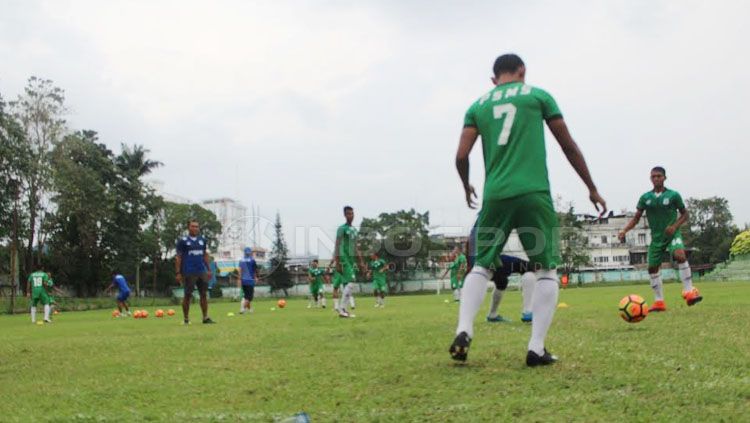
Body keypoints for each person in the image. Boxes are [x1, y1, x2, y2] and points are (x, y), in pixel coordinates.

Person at [449, 53, 606, 366]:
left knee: (482, 265)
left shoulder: (477, 106)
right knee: (545, 267)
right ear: (522, 71)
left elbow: (461, 155)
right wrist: (590, 186)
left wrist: (467, 185)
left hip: (495, 195)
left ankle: (464, 328)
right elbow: (568, 145)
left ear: (494, 79)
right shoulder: (538, 95)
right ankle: (536, 347)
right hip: (533, 192)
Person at [618, 167, 702, 311]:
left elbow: (685, 215)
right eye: (653, 176)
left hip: (672, 234)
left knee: (679, 255)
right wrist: (624, 230)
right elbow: (636, 218)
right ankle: (659, 302)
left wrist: (675, 226)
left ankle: (688, 292)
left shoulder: (673, 195)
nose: (656, 178)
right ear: (650, 178)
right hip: (656, 237)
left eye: (659, 176)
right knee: (652, 268)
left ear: (664, 178)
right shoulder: (645, 198)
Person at [175, 219, 215, 324]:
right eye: (193, 226)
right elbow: (178, 257)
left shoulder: (202, 240)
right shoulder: (183, 241)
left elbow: (205, 255)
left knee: (203, 294)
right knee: (188, 295)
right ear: (188, 227)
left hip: (201, 271)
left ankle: (205, 317)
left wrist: (209, 269)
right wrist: (178, 272)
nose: (195, 228)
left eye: (197, 226)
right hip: (189, 271)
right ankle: (186, 319)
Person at [333, 206, 366, 318]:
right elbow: (337, 245)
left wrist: (361, 262)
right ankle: (342, 309)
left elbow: (356, 247)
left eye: (352, 213)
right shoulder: (341, 228)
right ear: (344, 215)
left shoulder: (354, 230)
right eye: (348, 214)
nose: (350, 216)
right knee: (352, 281)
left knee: (348, 284)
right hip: (343, 258)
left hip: (351, 260)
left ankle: (344, 311)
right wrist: (337, 262)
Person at [238, 247, 258, 314]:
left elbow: (240, 270)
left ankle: (250, 310)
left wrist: (239, 279)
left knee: (246, 295)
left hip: (243, 281)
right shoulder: (252, 260)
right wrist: (256, 278)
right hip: (250, 280)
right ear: (250, 253)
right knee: (249, 297)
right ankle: (242, 309)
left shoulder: (241, 260)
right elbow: (254, 270)